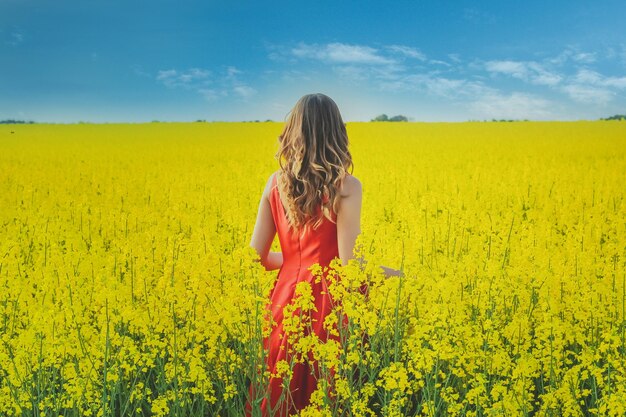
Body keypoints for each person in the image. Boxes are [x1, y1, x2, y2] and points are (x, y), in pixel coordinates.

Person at [246, 93, 402, 416]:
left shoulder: (274, 184)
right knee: (325, 396)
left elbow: (256, 258)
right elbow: (349, 266)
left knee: (281, 393)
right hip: (327, 306)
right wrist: (398, 276)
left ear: (292, 133)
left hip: (284, 302)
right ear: (337, 133)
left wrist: (291, 265)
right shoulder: (347, 187)